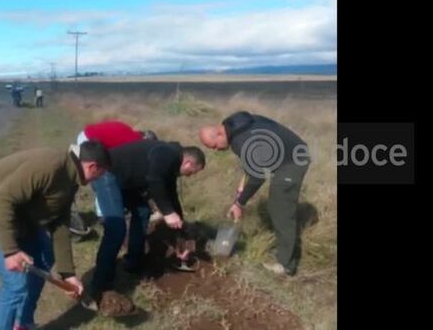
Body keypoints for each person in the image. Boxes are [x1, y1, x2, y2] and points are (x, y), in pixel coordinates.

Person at [0, 141, 111, 330]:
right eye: (101, 174)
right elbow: (1, 199)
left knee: (44, 256)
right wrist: (10, 252)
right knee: (16, 285)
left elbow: (60, 224)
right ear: (93, 167)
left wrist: (68, 275)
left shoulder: (72, 179)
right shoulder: (51, 166)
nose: (99, 179)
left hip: (20, 216)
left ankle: (22, 323)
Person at [88, 140, 205, 298]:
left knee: (143, 212)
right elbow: (154, 180)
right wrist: (168, 213)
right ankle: (100, 286)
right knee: (116, 229)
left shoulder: (171, 165)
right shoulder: (167, 153)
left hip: (126, 182)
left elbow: (171, 195)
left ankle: (133, 263)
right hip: (107, 175)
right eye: (192, 172)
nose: (190, 176)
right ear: (188, 163)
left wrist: (180, 231)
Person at [199, 111, 310, 276]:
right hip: (287, 154)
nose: (215, 150)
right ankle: (285, 252)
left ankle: (286, 265)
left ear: (219, 133)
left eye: (214, 145)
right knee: (276, 205)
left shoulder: (240, 141)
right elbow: (256, 158)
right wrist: (244, 182)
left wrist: (239, 203)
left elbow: (259, 176)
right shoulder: (233, 124)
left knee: (280, 208)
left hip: (293, 160)